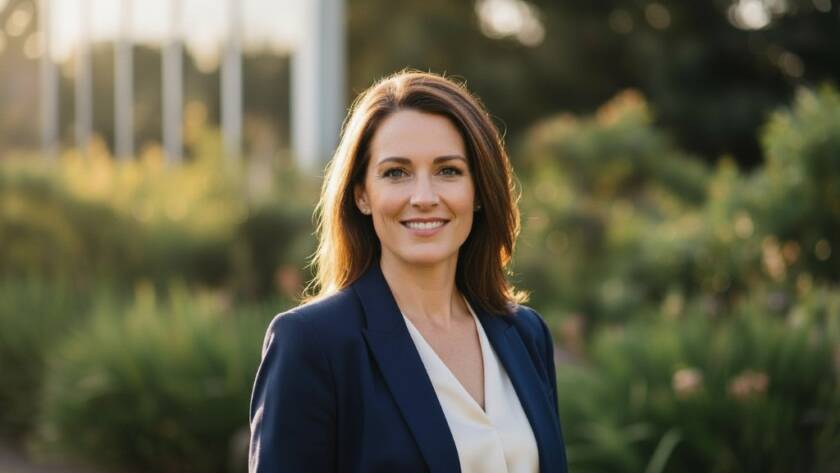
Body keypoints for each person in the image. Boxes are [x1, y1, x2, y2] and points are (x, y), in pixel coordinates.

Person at [248, 70, 568, 473]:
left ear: (478, 191)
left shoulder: (525, 334)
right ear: (362, 194)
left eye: (448, 170)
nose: (423, 197)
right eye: (396, 172)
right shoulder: (313, 344)